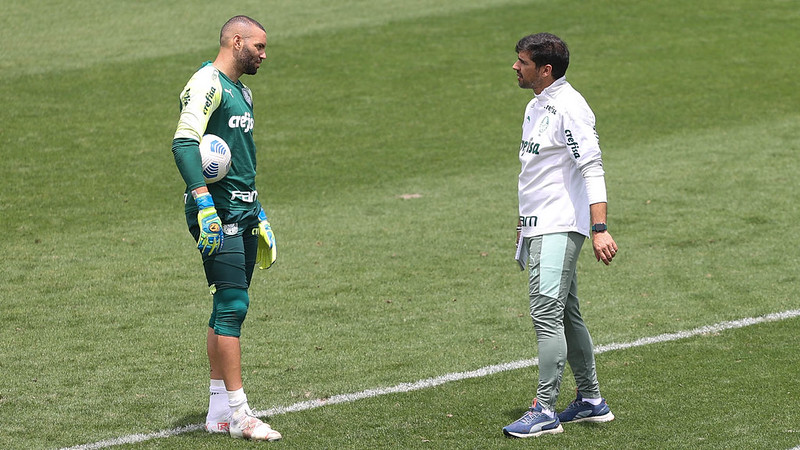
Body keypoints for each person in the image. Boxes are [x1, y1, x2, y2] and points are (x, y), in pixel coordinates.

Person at [502, 32, 618, 439]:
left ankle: (545, 410)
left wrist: (599, 227)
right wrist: (522, 226)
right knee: (566, 314)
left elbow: (592, 167)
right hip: (539, 226)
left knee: (544, 313)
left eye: (522, 62)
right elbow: (535, 175)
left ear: (545, 69)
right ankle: (590, 401)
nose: (515, 67)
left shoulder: (570, 108)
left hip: (560, 226)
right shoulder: (537, 106)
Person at [171, 15, 281, 442]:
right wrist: (203, 203)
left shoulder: (242, 92)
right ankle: (240, 414)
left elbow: (241, 159)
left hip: (242, 211)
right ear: (237, 42)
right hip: (216, 212)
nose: (264, 55)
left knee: (226, 306)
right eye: (259, 47)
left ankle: (219, 410)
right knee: (233, 305)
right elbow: (183, 143)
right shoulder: (207, 83)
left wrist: (259, 210)